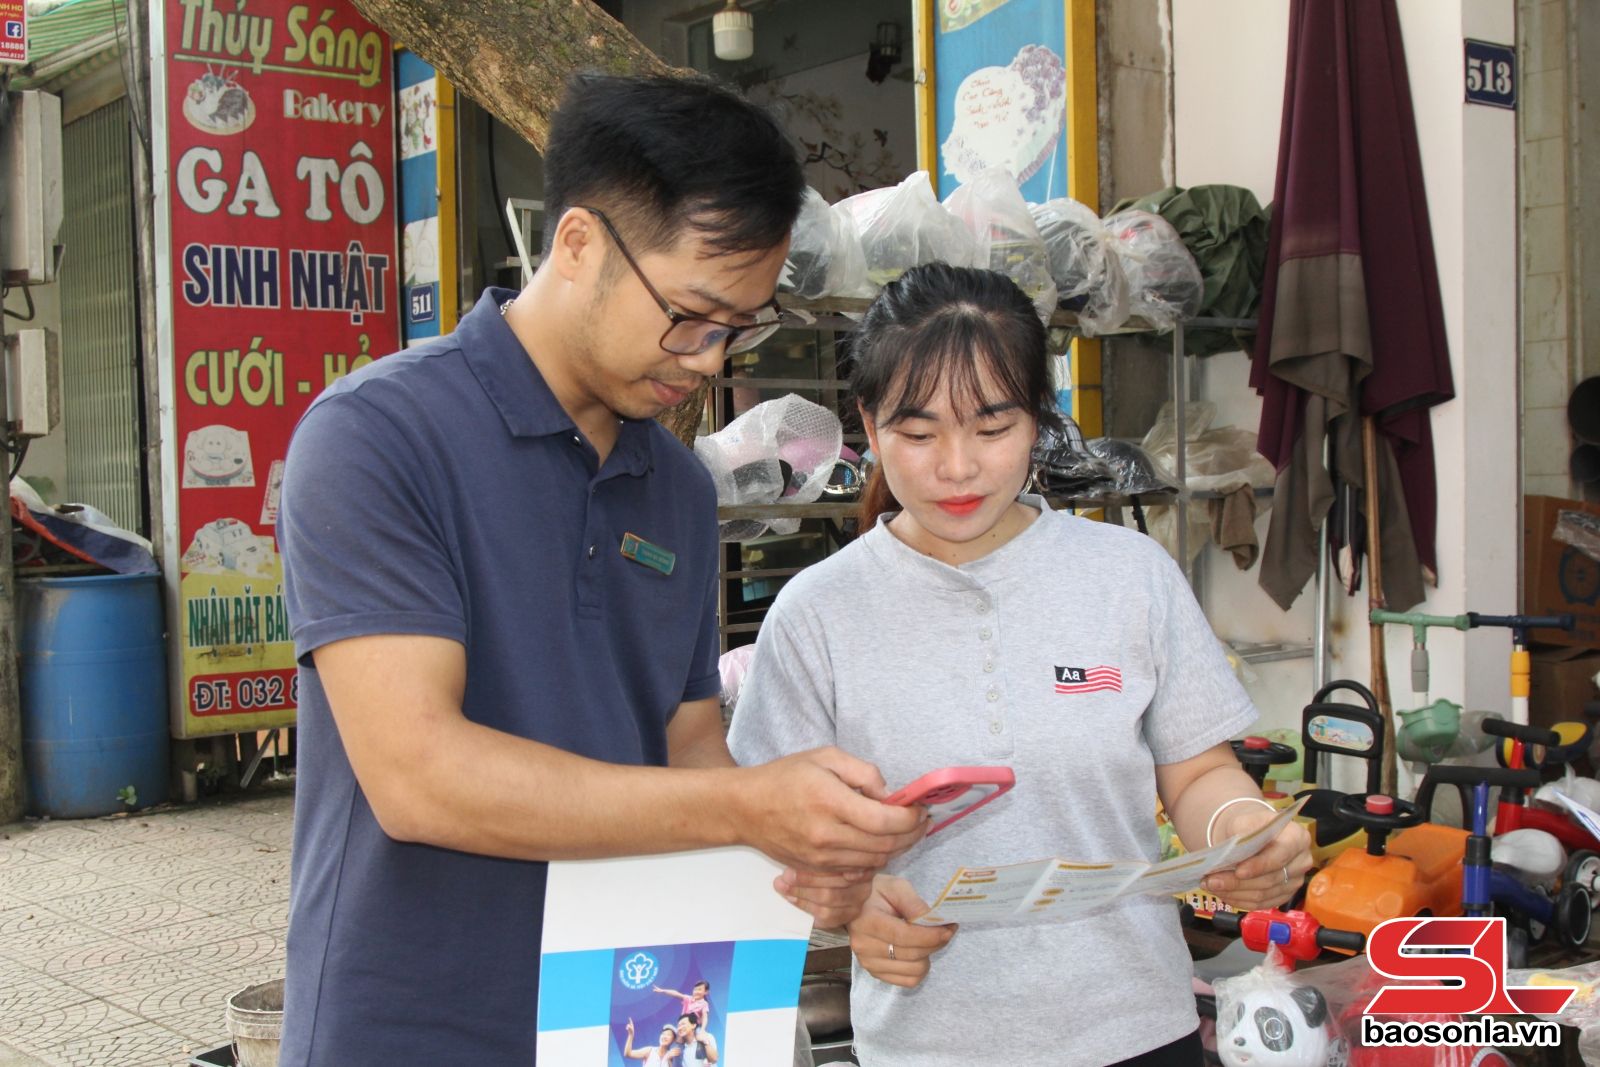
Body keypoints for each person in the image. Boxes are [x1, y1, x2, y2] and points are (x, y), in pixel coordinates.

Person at [276, 72, 926, 1065]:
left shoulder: (678, 487)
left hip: (621, 1016)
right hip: (414, 1020)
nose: (708, 360)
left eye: (740, 328)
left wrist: (816, 860)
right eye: (692, 315)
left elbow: (687, 741)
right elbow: (418, 776)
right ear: (578, 243)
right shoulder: (378, 436)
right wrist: (747, 804)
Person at [727, 263, 1314, 1067]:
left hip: (1135, 1027)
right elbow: (770, 835)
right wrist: (852, 908)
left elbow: (1198, 774)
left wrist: (1241, 830)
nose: (957, 466)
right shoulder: (816, 613)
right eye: (919, 433)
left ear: (1039, 417)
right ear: (868, 421)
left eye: (993, 427)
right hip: (929, 1047)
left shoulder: (1129, 574)